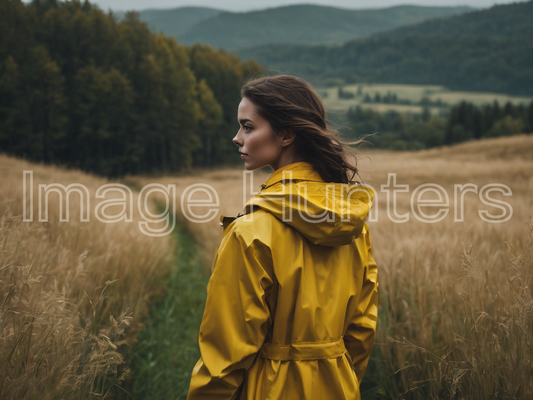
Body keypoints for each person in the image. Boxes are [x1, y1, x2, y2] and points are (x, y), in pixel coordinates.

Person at [186, 75, 378, 400]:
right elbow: (362, 330)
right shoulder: (352, 227)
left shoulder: (250, 233)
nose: (236, 138)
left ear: (286, 135)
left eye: (247, 127)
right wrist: (341, 380)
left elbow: (226, 358)